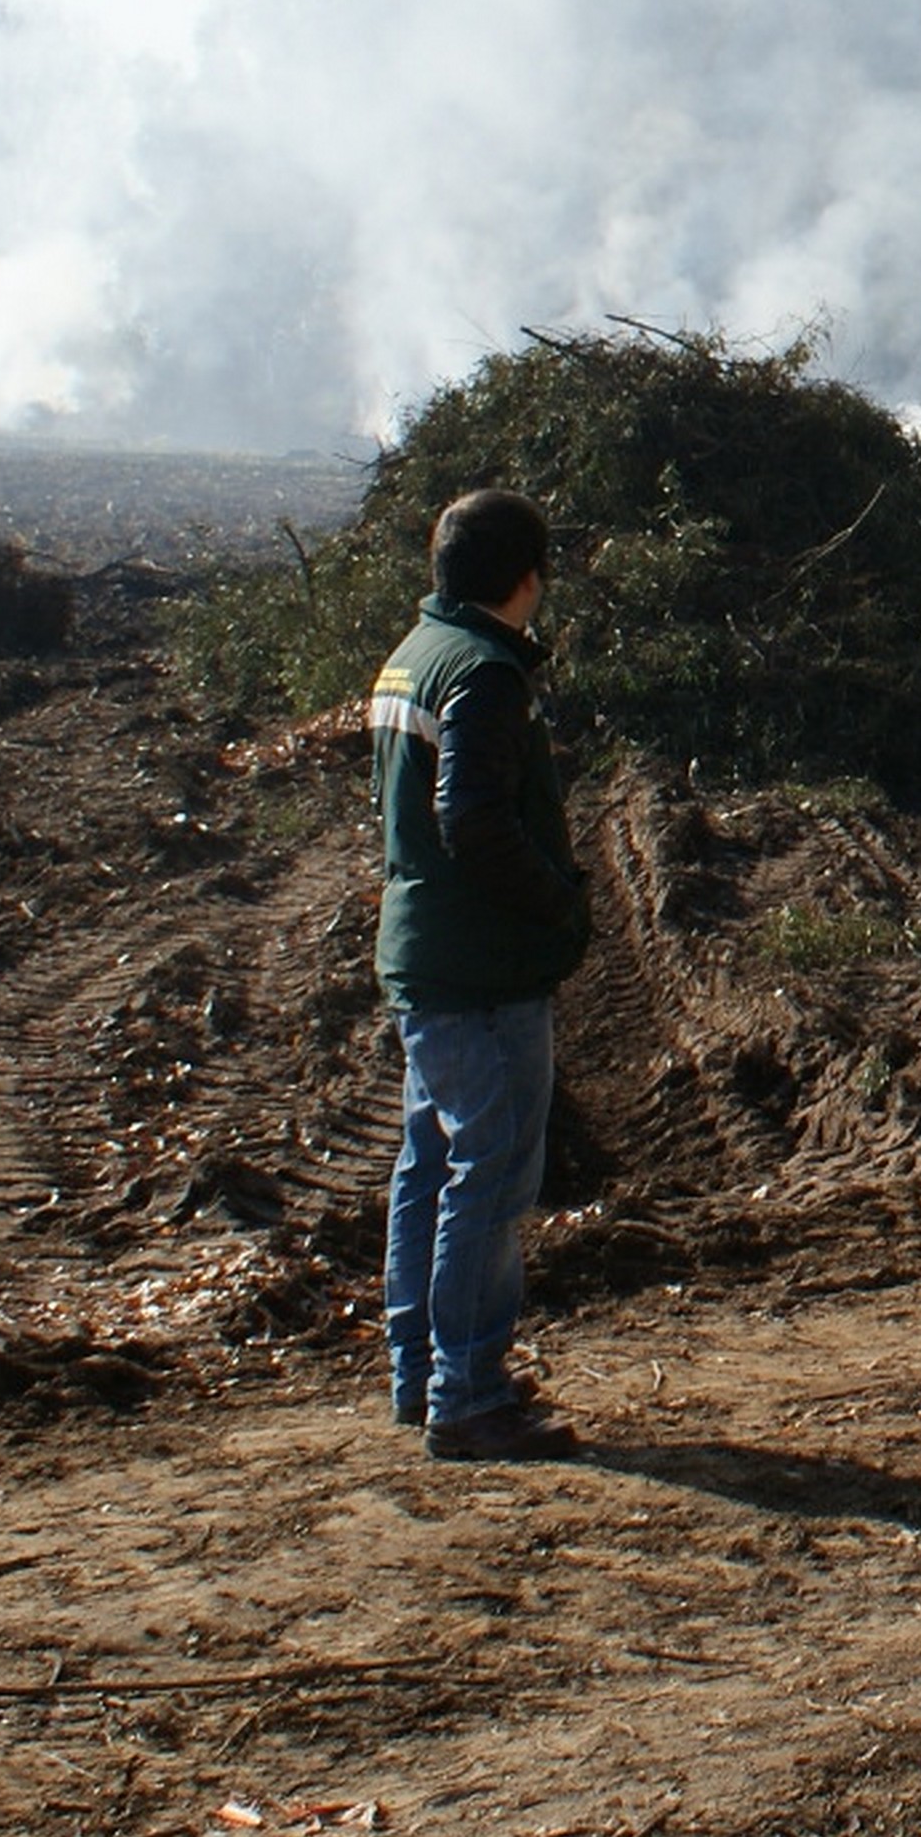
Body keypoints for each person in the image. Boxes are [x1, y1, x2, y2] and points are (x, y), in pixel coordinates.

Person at [371, 487, 596, 1464]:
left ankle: (419, 1374)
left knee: (430, 1166)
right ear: (527, 579)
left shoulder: (411, 658)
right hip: (482, 969)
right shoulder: (486, 673)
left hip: (424, 957)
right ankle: (467, 1392)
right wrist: (558, 903)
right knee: (492, 1176)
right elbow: (474, 821)